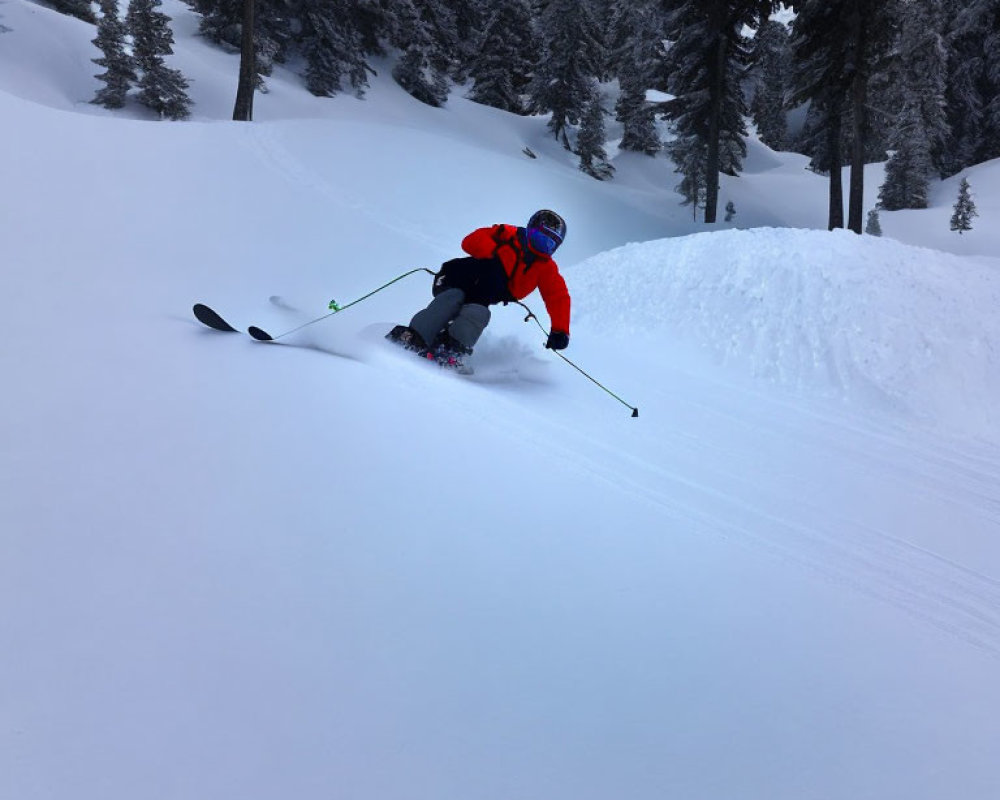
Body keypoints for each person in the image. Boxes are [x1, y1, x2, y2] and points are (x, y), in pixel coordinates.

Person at [388, 209, 571, 369]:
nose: (542, 247)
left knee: (478, 313)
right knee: (452, 299)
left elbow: (558, 296)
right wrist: (493, 256)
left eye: (549, 244)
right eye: (539, 238)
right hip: (455, 279)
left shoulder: (545, 267)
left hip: (482, 294)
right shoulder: (507, 235)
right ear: (530, 230)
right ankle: (415, 336)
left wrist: (560, 330)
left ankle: (452, 349)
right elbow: (470, 241)